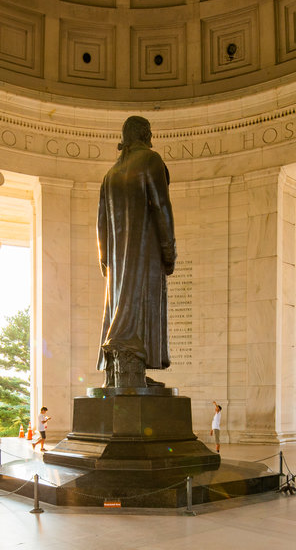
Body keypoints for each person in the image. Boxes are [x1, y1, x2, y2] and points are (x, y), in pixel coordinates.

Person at [96, 116, 177, 388]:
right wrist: (169, 250)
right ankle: (131, 378)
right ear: (146, 134)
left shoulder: (110, 175)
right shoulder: (151, 161)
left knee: (123, 310)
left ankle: (131, 377)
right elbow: (161, 207)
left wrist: (106, 263)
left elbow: (101, 227)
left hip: (117, 266)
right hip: (145, 253)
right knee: (139, 307)